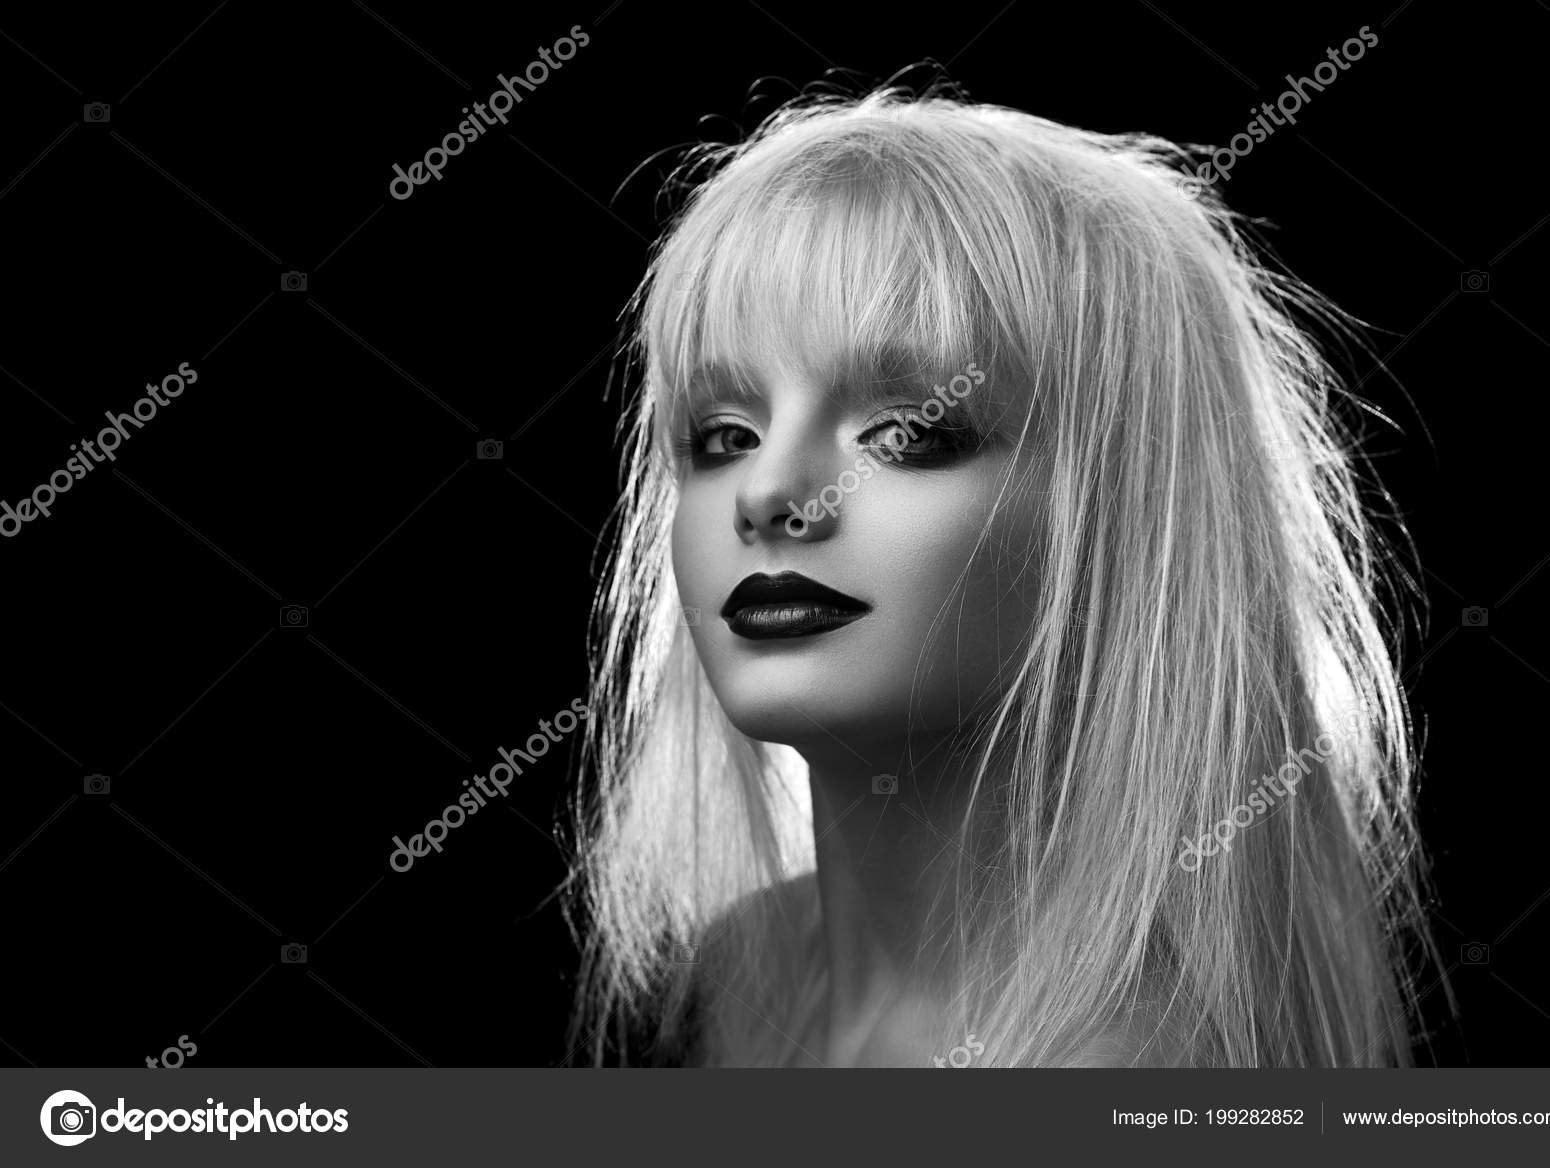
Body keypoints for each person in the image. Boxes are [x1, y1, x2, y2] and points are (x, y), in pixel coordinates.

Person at [560, 82, 1439, 1067]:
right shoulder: (726, 982)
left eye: (908, 433)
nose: (768, 493)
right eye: (724, 435)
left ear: (1122, 520)